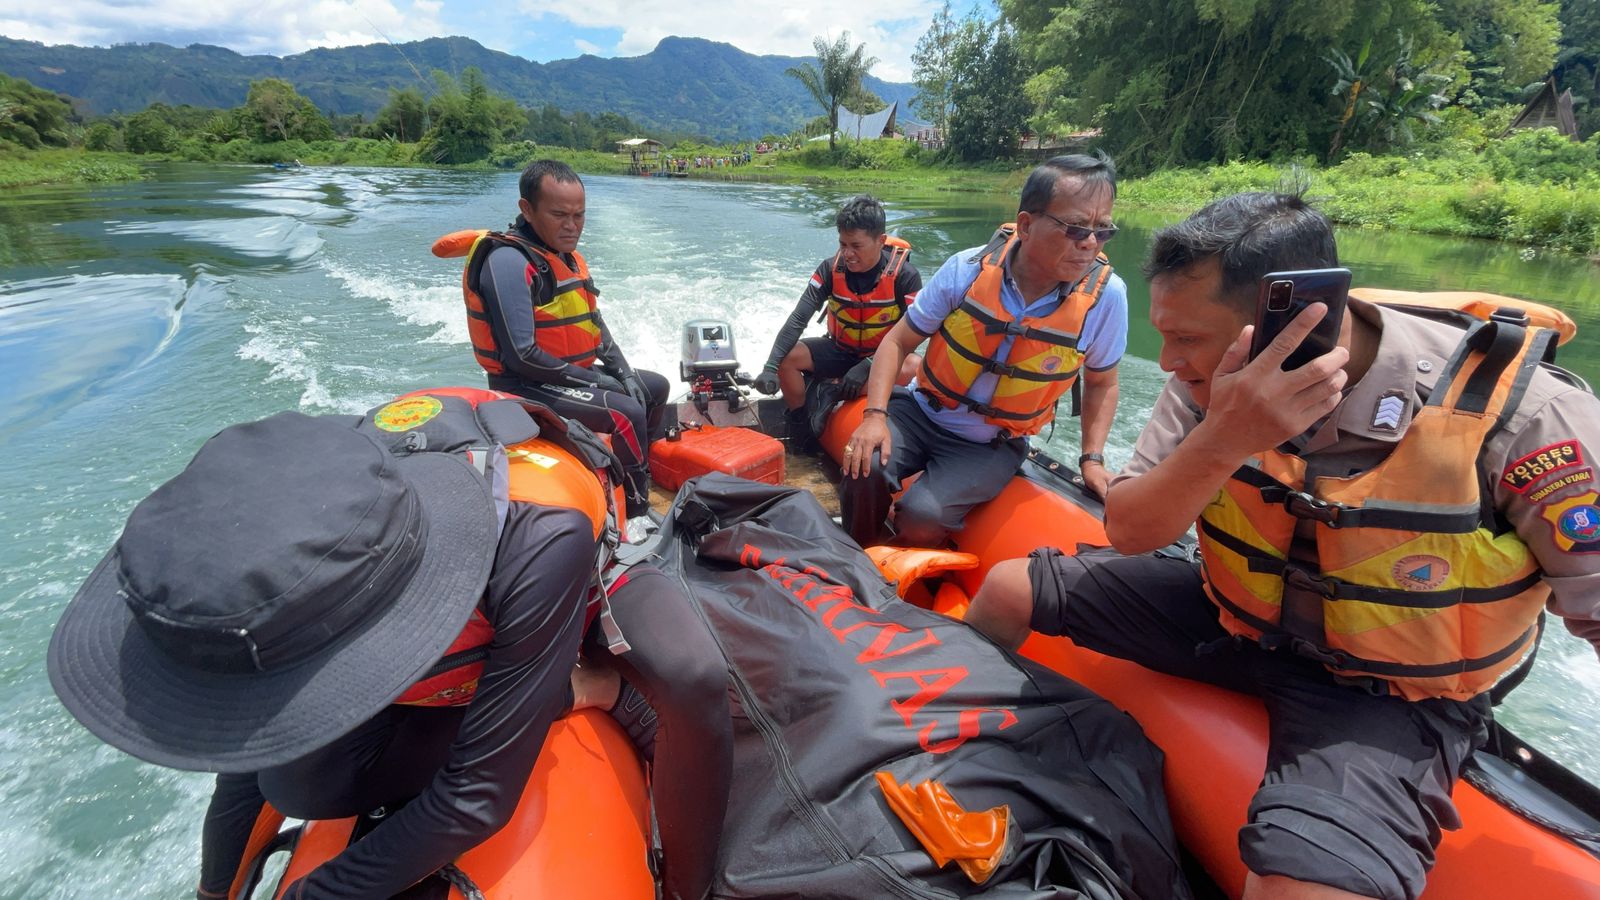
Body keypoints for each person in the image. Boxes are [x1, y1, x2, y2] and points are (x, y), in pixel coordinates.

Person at [964, 191, 1600, 900]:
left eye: (1188, 341)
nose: (1168, 361)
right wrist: (1227, 434)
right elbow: (1132, 531)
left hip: (1387, 691)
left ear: (1297, 327)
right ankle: (970, 765)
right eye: (1163, 336)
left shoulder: (1532, 415)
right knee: (1007, 588)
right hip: (1234, 619)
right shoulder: (1208, 381)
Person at [47, 391, 732, 900]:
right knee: (296, 776)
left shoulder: (534, 545)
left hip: (559, 540)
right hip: (426, 501)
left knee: (691, 675)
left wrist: (310, 894)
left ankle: (609, 713)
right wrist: (213, 892)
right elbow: (249, 758)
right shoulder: (295, 565)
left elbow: (477, 795)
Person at [839, 153, 1128, 548]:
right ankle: (858, 552)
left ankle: (907, 559)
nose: (1090, 244)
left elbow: (1102, 383)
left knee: (925, 515)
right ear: (1025, 224)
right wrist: (874, 416)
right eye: (1076, 228)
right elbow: (897, 341)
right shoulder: (967, 269)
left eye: (1102, 230)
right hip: (921, 412)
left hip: (992, 444)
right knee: (861, 465)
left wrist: (1091, 460)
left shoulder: (1106, 298)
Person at [459, 158, 670, 538]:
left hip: (567, 374)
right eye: (559, 215)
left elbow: (595, 325)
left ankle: (630, 472)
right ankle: (637, 514)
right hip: (523, 385)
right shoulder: (507, 261)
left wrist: (621, 371)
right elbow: (520, 355)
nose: (572, 226)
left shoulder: (565, 257)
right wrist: (596, 381)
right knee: (624, 412)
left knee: (653, 387)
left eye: (579, 215)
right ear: (527, 209)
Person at [752, 195, 924, 448]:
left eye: (856, 245)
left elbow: (914, 335)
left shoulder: (905, 277)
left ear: (881, 241)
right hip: (839, 350)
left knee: (914, 365)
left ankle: (832, 391)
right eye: (843, 244)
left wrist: (867, 365)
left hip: (881, 356)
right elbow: (799, 318)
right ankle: (801, 424)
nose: (848, 254)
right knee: (787, 357)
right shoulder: (829, 269)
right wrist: (770, 366)